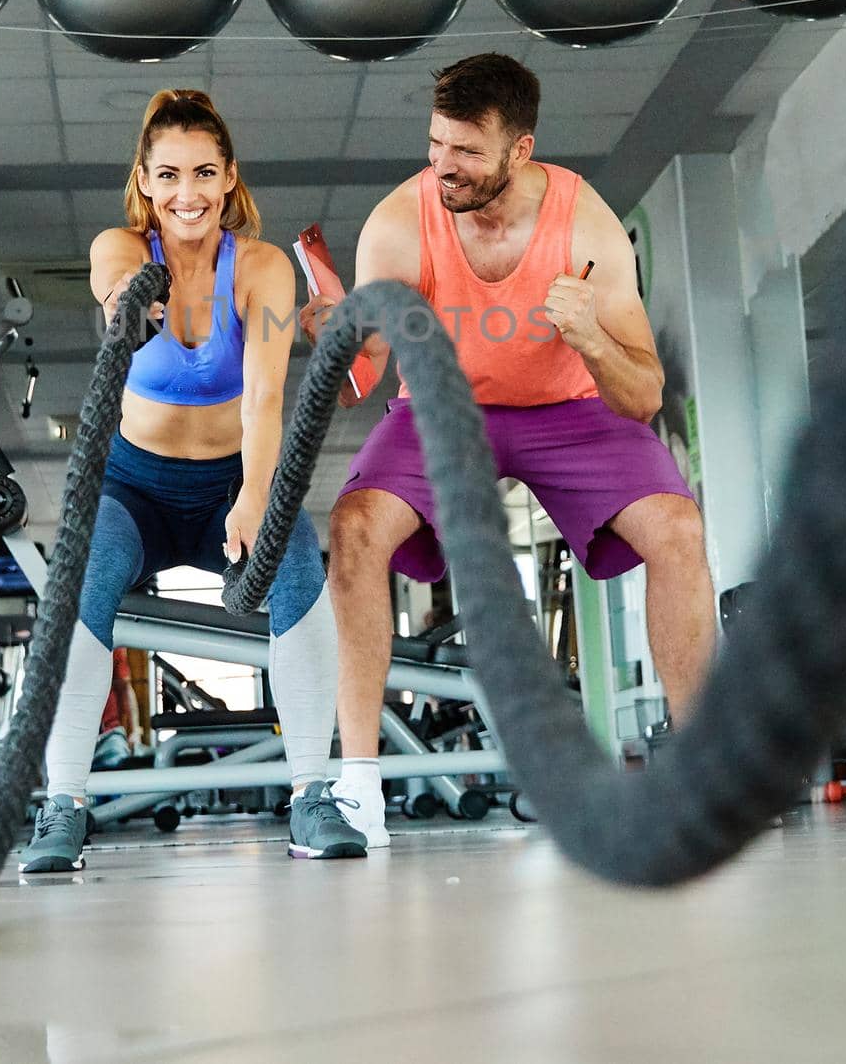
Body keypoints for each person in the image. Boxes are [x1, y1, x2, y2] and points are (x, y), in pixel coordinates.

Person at [303, 53, 717, 849]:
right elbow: (366, 377)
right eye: (435, 144)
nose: (442, 166)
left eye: (465, 152)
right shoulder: (401, 221)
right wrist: (335, 339)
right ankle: (356, 786)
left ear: (519, 151)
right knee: (354, 527)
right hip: (441, 406)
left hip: (569, 409)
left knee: (679, 530)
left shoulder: (584, 223)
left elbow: (643, 395)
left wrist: (591, 333)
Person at [22, 89, 364, 872]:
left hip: (227, 483)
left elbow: (268, 397)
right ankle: (63, 803)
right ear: (144, 181)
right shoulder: (119, 247)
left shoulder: (264, 269)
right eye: (169, 174)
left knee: (299, 568)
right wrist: (130, 306)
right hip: (131, 488)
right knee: (84, 578)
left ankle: (312, 795)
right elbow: (114, 293)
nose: (188, 194)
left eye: (205, 173)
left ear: (229, 176)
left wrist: (253, 497)